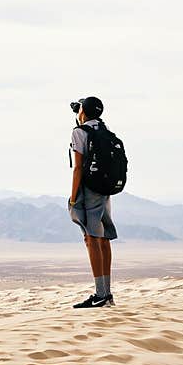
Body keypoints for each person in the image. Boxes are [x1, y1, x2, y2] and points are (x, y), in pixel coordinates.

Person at [68, 96, 117, 308]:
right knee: (103, 238)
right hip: (105, 190)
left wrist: (73, 196)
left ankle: (100, 295)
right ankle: (106, 294)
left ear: (83, 112)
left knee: (91, 238)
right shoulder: (104, 131)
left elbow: (78, 167)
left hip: (89, 191)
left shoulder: (80, 132)